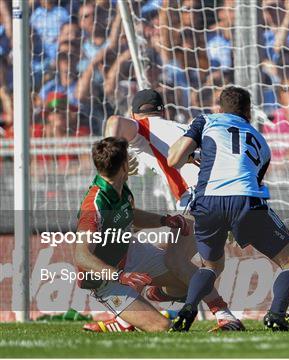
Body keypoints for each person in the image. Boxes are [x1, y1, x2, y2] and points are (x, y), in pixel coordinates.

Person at [86, 89, 244, 332]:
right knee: (164, 257)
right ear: (164, 111)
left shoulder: (143, 127)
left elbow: (114, 122)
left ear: (134, 114)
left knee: (174, 259)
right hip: (229, 195)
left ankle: (225, 315)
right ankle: (127, 318)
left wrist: (116, 154)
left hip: (199, 197)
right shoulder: (180, 128)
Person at [167, 86, 289, 332]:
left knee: (211, 267)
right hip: (246, 202)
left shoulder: (206, 121)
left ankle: (187, 309)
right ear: (249, 112)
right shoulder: (261, 142)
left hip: (208, 202)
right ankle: (276, 314)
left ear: (220, 108)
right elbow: (254, 181)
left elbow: (173, 160)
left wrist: (190, 158)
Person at [76, 137, 191, 332]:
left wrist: (163, 220)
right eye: (129, 157)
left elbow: (132, 215)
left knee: (191, 281)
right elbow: (81, 256)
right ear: (123, 165)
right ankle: (124, 319)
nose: (133, 161)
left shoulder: (120, 186)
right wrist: (120, 276)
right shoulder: (95, 206)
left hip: (131, 254)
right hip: (107, 280)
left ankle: (153, 295)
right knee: (162, 327)